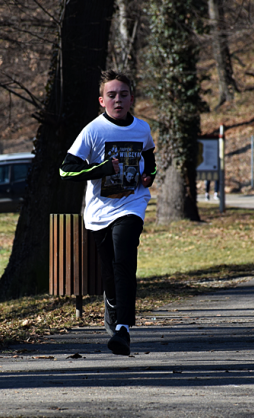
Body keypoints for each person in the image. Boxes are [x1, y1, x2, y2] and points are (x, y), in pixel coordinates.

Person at [59, 70, 156, 356]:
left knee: (124, 260)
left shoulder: (142, 128)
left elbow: (148, 155)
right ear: (102, 101)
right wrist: (101, 170)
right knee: (109, 271)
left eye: (123, 95)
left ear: (131, 99)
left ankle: (123, 330)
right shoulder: (93, 131)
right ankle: (112, 305)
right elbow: (66, 170)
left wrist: (149, 174)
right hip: (99, 212)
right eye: (111, 95)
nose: (118, 100)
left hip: (132, 205)